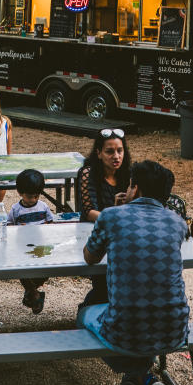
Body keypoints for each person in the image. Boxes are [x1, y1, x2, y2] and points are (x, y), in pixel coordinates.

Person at [80, 160, 187, 385]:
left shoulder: (112, 215)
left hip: (126, 331)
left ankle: (136, 376)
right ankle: (142, 380)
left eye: (129, 185)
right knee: (147, 307)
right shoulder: (177, 222)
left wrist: (114, 215)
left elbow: (90, 257)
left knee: (83, 312)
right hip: (174, 329)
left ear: (135, 189)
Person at [75, 128, 133, 307]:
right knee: (103, 279)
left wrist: (117, 215)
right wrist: (114, 214)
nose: (116, 156)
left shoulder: (129, 174)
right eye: (110, 151)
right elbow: (88, 211)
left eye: (120, 150)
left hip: (122, 233)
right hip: (93, 233)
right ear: (98, 153)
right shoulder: (88, 173)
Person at [10, 168, 54, 314]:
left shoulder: (43, 207)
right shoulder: (16, 209)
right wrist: (19, 229)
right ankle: (34, 295)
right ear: (20, 193)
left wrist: (44, 228)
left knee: (44, 271)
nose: (33, 200)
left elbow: (50, 222)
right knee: (22, 271)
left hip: (41, 244)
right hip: (23, 246)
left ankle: (32, 292)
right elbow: (10, 226)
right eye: (30, 197)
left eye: (36, 196)